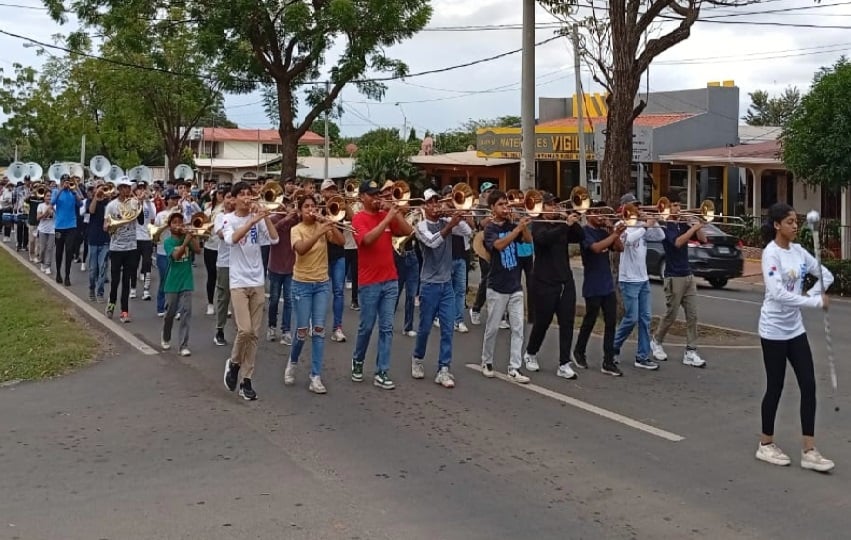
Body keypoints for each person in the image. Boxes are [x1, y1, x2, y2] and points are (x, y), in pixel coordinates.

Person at [755, 202, 835, 472]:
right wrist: (812, 302)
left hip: (795, 329)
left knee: (809, 385)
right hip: (773, 330)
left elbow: (825, 275)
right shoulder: (771, 254)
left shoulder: (800, 252)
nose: (795, 225)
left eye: (796, 221)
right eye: (790, 222)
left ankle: (809, 450)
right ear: (777, 225)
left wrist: (813, 294)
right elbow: (777, 294)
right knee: (775, 386)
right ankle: (765, 444)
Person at [350, 179, 413, 390]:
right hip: (369, 282)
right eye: (372, 195)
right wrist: (386, 219)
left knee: (386, 328)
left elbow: (407, 231)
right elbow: (367, 240)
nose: (377, 198)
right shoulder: (358, 219)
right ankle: (358, 360)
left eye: (379, 194)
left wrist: (396, 212)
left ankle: (382, 370)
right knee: (367, 327)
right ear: (362, 198)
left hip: (390, 279)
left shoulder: (385, 214)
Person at [222, 181, 280, 401]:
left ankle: (246, 380)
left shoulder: (259, 217)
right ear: (235, 199)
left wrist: (264, 216)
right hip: (238, 281)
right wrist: (251, 221)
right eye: (242, 195)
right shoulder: (228, 219)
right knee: (244, 330)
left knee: (254, 334)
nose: (247, 198)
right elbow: (233, 239)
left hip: (257, 280)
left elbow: (275, 239)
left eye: (250, 194)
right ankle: (234, 363)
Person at [284, 194, 344, 394]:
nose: (311, 209)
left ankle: (315, 376)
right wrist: (318, 232)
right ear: (300, 210)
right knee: (301, 331)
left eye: (313, 206)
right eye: (307, 206)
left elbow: (341, 241)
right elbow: (300, 250)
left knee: (318, 330)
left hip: (321, 284)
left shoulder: (323, 227)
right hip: (301, 284)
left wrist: (330, 224)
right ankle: (292, 362)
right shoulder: (296, 230)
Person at [522, 193, 584, 380]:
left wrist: (573, 220)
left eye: (556, 205)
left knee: (567, 322)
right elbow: (543, 240)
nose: (554, 209)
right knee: (543, 322)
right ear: (542, 208)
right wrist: (565, 225)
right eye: (550, 205)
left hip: (565, 281)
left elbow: (580, 236)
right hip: (544, 281)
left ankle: (564, 363)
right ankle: (531, 352)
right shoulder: (537, 224)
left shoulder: (562, 224)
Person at [410, 189, 462, 388]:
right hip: (429, 284)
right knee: (424, 328)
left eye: (437, 202)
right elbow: (432, 243)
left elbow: (466, 232)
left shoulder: (445, 221)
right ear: (424, 206)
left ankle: (444, 369)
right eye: (430, 203)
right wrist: (450, 224)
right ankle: (417, 358)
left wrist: (455, 215)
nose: (435, 206)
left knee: (448, 328)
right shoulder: (420, 226)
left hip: (446, 283)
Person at [480, 189, 532, 383]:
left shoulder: (512, 224)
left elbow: (528, 241)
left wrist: (522, 225)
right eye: (501, 204)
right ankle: (487, 361)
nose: (505, 207)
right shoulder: (490, 229)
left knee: (518, 328)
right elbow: (499, 246)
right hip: (497, 286)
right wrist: (516, 230)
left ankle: (514, 367)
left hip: (515, 284)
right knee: (492, 328)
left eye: (506, 204)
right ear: (492, 208)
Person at [649, 195, 707, 367]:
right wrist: (691, 229)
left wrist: (697, 224)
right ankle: (656, 341)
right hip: (673, 276)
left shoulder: (683, 223)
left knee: (693, 315)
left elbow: (703, 239)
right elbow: (677, 243)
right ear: (666, 207)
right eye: (674, 205)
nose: (677, 208)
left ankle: (691, 351)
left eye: (679, 205)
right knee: (671, 314)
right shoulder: (665, 226)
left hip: (688, 274)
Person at [612, 194, 665, 370]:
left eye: (637, 206)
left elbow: (660, 236)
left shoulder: (642, 225)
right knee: (631, 318)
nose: (637, 209)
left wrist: (653, 221)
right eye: (633, 206)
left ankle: (642, 356)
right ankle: (613, 347)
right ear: (624, 207)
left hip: (643, 279)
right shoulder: (620, 226)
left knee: (646, 318)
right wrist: (644, 226)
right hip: (628, 280)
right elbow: (626, 241)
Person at [574, 201, 625, 376]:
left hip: (607, 285)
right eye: (595, 212)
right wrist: (614, 234)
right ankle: (579, 351)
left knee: (611, 322)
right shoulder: (585, 233)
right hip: (593, 284)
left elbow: (620, 248)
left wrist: (613, 232)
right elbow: (596, 248)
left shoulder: (604, 232)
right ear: (588, 215)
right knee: (590, 320)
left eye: (600, 212)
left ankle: (608, 361)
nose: (600, 216)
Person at [160, 213, 201, 356]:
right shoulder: (168, 242)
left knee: (186, 312)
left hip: (186, 280)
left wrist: (192, 236)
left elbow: (198, 250)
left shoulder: (187, 237)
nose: (178, 225)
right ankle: (165, 336)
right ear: (169, 226)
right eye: (175, 222)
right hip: (172, 282)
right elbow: (176, 256)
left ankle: (183, 345)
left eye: (180, 222)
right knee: (170, 313)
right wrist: (185, 243)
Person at [104, 177, 140, 323]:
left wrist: (140, 204)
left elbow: (142, 220)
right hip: (116, 247)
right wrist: (110, 226)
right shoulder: (112, 205)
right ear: (119, 189)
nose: (127, 190)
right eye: (124, 187)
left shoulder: (134, 203)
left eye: (129, 187)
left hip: (131, 247)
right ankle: (111, 303)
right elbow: (105, 226)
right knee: (115, 280)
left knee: (127, 280)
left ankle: (124, 311)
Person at [267, 203, 299, 346]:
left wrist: (295, 215)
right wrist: (286, 218)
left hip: (291, 267)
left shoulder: (296, 220)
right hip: (275, 266)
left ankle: (286, 331)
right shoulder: (273, 218)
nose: (289, 207)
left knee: (289, 301)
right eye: (287, 204)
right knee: (273, 300)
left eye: (292, 205)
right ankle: (271, 327)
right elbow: (272, 233)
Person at [320, 178, 349, 342]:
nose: (331, 192)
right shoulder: (318, 209)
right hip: (322, 255)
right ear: (322, 192)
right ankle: (317, 323)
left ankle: (337, 327)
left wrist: (346, 202)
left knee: (338, 292)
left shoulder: (340, 207)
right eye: (328, 190)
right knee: (321, 291)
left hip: (338, 255)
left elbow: (351, 216)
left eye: (333, 190)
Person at [469, 181, 496, 325]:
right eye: (489, 190)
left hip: (498, 243)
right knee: (486, 278)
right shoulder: (479, 208)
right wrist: (491, 215)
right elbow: (479, 224)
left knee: (500, 279)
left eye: (493, 190)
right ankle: (476, 309)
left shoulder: (497, 204)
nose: (492, 192)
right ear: (483, 193)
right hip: (483, 244)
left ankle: (501, 316)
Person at [153, 190, 181, 316]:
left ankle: (175, 308)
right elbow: (155, 231)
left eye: (177, 199)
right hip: (162, 251)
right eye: (173, 198)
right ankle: (161, 307)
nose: (175, 201)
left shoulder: (180, 214)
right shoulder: (161, 215)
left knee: (176, 280)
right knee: (164, 280)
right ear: (167, 200)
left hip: (177, 250)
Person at [51, 174, 82, 286]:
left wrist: (75, 192)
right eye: (64, 181)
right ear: (61, 182)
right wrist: (60, 190)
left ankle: (67, 276)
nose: (66, 183)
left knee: (69, 251)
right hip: (59, 226)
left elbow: (81, 203)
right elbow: (52, 202)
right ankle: (58, 273)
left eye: (68, 181)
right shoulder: (56, 191)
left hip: (71, 226)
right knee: (59, 251)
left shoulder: (73, 193)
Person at [213, 189, 234, 347]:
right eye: (228, 197)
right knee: (223, 297)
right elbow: (221, 234)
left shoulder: (245, 216)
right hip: (225, 262)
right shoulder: (220, 216)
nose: (231, 200)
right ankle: (219, 329)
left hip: (242, 264)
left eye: (234, 197)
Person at [131, 184, 156, 301]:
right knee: (133, 264)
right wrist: (138, 201)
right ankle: (133, 288)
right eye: (139, 189)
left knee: (147, 264)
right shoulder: (132, 202)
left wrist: (148, 201)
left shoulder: (150, 204)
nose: (142, 191)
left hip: (147, 238)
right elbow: (131, 216)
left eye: (143, 189)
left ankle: (146, 290)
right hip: (135, 237)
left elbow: (153, 216)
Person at [87, 184, 111, 303]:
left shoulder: (108, 203)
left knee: (103, 267)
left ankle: (100, 292)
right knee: (93, 269)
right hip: (93, 239)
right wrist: (96, 197)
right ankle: (91, 289)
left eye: (103, 187)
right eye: (99, 187)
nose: (102, 189)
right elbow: (91, 210)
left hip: (105, 239)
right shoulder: (91, 200)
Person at [36, 191, 55, 275]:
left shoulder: (55, 206)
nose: (49, 198)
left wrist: (53, 210)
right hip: (42, 230)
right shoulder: (40, 206)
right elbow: (38, 218)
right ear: (44, 197)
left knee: (50, 248)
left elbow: (58, 217)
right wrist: (46, 212)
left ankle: (48, 266)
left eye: (50, 196)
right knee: (43, 248)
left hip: (52, 230)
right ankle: (42, 263)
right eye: (47, 196)